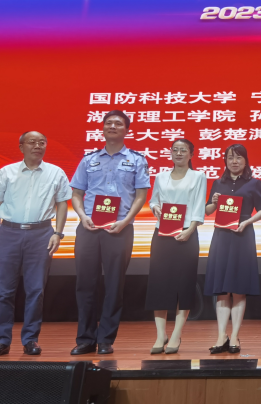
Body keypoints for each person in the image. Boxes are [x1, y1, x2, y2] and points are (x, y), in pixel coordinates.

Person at [69, 111, 150, 355]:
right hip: (89, 227)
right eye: (108, 123)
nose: (112, 126)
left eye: (118, 123)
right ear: (102, 128)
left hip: (119, 228)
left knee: (115, 284)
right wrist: (83, 216)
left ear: (127, 130)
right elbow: (76, 193)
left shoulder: (136, 160)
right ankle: (85, 339)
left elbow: (141, 196)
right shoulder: (89, 159)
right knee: (85, 283)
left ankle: (105, 339)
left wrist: (125, 221)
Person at [0, 131, 71, 356]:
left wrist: (58, 233)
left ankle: (31, 339)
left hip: (41, 234)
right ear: (21, 147)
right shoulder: (6, 172)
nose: (37, 146)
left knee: (36, 290)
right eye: (32, 142)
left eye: (42, 142)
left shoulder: (56, 172)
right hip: (8, 232)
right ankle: (2, 339)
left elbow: (62, 204)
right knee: (4, 291)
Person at [145, 139, 206, 354]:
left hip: (187, 234)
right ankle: (160, 335)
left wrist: (190, 230)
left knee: (184, 284)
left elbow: (199, 205)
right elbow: (153, 200)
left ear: (191, 154)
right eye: (175, 150)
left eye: (183, 150)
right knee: (159, 283)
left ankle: (176, 335)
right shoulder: (161, 176)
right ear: (170, 153)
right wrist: (155, 208)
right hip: (162, 234)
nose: (178, 153)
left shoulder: (198, 176)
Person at [204, 144, 261, 354]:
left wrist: (247, 222)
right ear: (225, 160)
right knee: (222, 290)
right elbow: (208, 211)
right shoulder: (218, 183)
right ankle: (221, 335)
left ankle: (235, 336)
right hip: (221, 237)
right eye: (230, 157)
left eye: (239, 157)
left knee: (239, 289)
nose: (234, 161)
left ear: (246, 161)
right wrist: (213, 202)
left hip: (242, 236)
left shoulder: (254, 183)